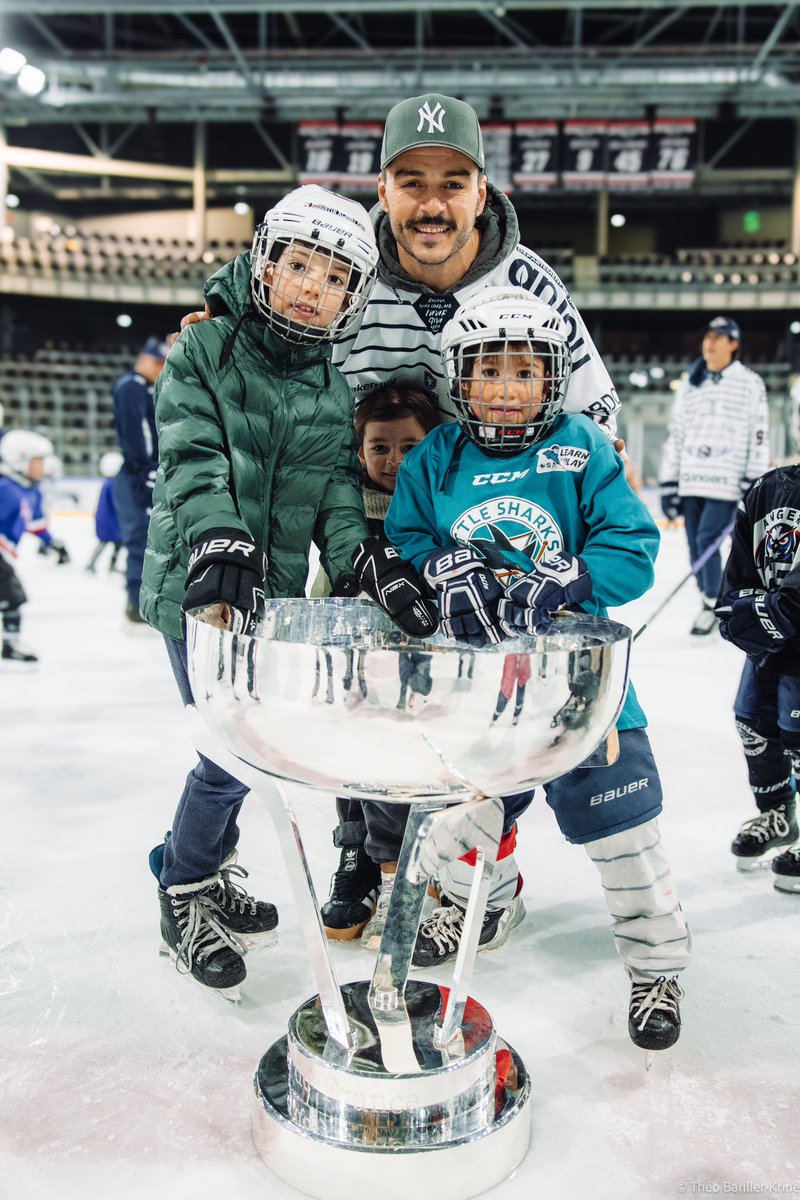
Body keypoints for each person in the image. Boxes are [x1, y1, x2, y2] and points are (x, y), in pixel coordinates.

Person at [176, 91, 625, 933]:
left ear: (481, 192)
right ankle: (360, 848)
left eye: (452, 182)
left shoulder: (531, 284)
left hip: (479, 540)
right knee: (355, 699)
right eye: (411, 181)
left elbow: (596, 420)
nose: (431, 203)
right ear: (382, 189)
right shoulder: (342, 266)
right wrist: (222, 318)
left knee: (479, 712)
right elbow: (269, 313)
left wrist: (547, 522)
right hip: (353, 527)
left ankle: (465, 872)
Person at [370, 287, 691, 1054]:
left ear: (553, 378)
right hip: (481, 689)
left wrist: (575, 576)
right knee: (463, 821)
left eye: (527, 371)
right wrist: (439, 561)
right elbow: (407, 538)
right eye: (489, 372)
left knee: (624, 834)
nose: (508, 390)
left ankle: (657, 965)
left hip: (583, 687)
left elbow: (634, 545)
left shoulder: (583, 444)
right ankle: (490, 903)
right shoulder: (440, 455)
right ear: (461, 375)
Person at [140, 185, 435, 1000]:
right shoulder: (202, 353)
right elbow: (193, 456)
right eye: (299, 264)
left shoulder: (331, 389)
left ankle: (198, 864)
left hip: (263, 602)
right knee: (227, 749)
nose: (312, 286)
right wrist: (216, 534)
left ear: (352, 297)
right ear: (265, 261)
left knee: (239, 748)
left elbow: (340, 499)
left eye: (334, 277)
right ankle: (183, 890)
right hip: (196, 591)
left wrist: (364, 563)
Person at [314, 383, 441, 941]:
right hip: (358, 662)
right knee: (352, 756)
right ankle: (358, 856)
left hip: (421, 662)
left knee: (412, 761)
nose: (394, 460)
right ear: (359, 450)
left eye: (410, 446)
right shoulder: (343, 509)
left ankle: (419, 861)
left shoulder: (440, 503)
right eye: (380, 447)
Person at [715, 465, 800, 891]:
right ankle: (778, 814)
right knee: (753, 721)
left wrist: (783, 609)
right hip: (774, 642)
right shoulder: (770, 488)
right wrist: (737, 608)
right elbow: (741, 569)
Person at [658, 315, 769, 638]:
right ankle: (711, 600)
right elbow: (676, 433)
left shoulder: (750, 382)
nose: (711, 343)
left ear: (733, 344)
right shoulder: (692, 383)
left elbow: (758, 432)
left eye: (719, 338)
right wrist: (669, 482)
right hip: (691, 479)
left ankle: (716, 603)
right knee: (696, 547)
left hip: (726, 482)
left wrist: (755, 479)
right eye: (708, 337)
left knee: (709, 540)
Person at [0, 429, 69, 667]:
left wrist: (53, 543)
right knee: (13, 594)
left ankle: (10, 643)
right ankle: (10, 644)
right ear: (18, 460)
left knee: (12, 595)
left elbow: (35, 524)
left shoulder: (31, 491)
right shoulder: (5, 488)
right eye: (37, 461)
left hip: (5, 555)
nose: (44, 467)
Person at [111, 337, 167, 627]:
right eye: (157, 362)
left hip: (140, 471)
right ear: (143, 360)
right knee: (140, 542)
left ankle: (141, 602)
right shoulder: (132, 387)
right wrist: (148, 468)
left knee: (146, 541)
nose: (160, 368)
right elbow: (140, 435)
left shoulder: (139, 387)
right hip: (137, 474)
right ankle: (137, 604)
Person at [86, 450, 124, 574]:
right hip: (111, 521)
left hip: (106, 520)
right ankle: (92, 564)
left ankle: (98, 564)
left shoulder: (108, 482)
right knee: (108, 542)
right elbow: (117, 503)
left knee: (112, 543)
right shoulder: (114, 483)